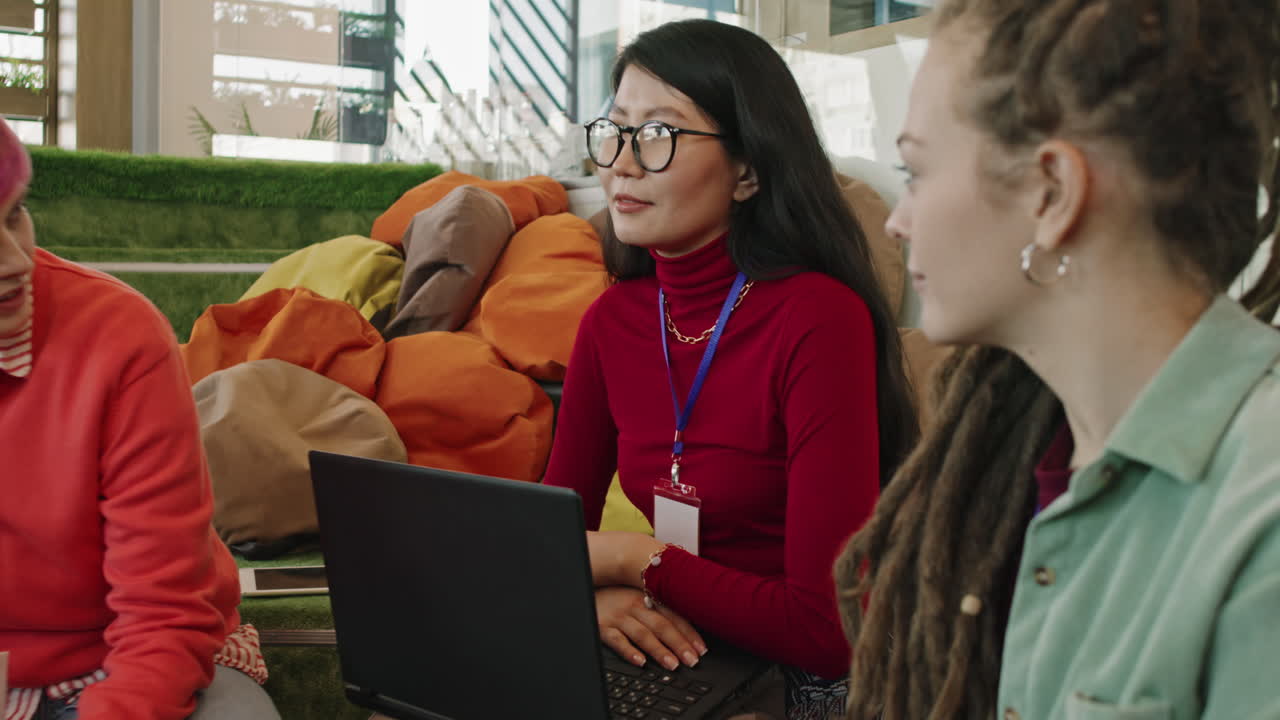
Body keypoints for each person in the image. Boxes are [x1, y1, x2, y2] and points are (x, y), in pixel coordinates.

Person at [835, 0, 1280, 718]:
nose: (896, 218)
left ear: (1052, 193)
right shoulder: (1015, 454)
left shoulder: (1261, 521)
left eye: (913, 171)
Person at [541, 18, 918, 718]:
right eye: (616, 130)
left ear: (748, 171)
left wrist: (634, 561)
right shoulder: (612, 321)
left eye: (659, 134)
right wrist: (590, 596)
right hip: (683, 648)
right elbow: (550, 540)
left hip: (809, 672)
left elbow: (824, 630)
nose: (622, 161)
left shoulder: (818, 318)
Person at [0, 120, 279, 720]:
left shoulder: (118, 335)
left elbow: (164, 613)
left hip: (131, 661)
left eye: (13, 215)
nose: (12, 260)